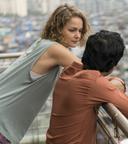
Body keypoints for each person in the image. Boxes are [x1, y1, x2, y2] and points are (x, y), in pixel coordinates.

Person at [0, 4, 90, 144]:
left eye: (80, 30)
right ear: (58, 28)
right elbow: (91, 74)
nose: (78, 35)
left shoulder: (42, 43)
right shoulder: (55, 49)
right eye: (72, 30)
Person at [46, 30, 128, 144]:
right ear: (113, 65)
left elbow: (95, 84)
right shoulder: (93, 84)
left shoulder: (70, 71)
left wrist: (110, 83)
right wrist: (119, 82)